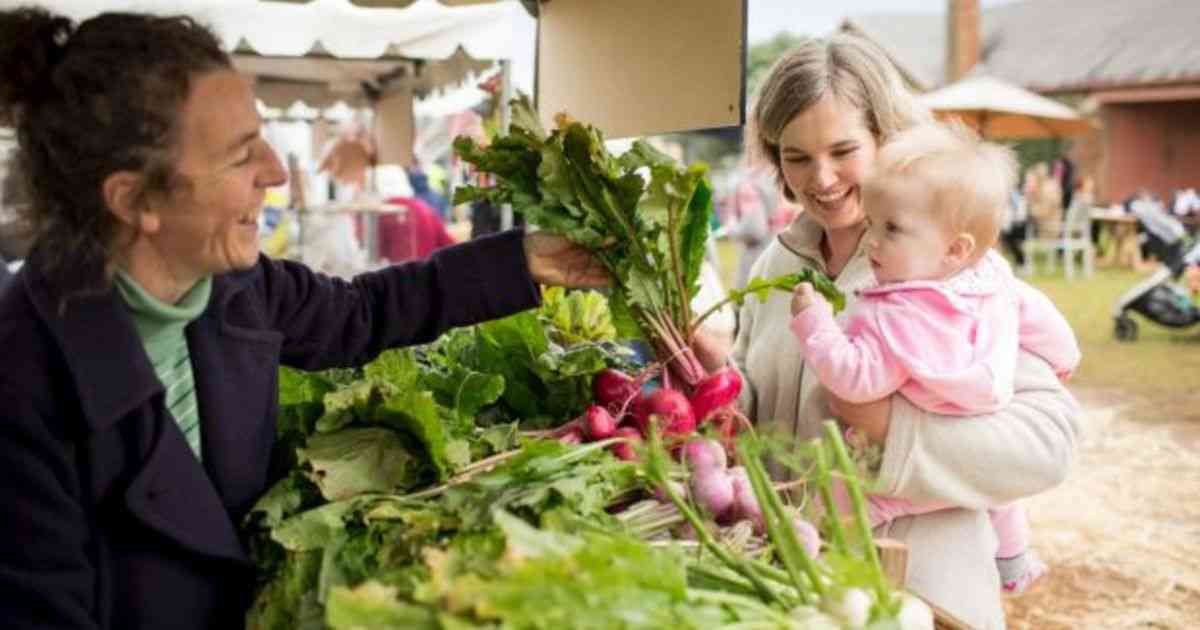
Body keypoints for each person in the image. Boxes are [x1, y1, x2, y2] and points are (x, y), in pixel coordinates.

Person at [0, 9, 605, 629]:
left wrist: (525, 259)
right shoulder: (23, 384)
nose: (275, 172)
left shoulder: (233, 284)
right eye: (241, 157)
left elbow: (361, 313)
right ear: (135, 200)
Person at [689, 33, 1080, 628]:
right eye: (795, 157)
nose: (820, 179)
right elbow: (765, 406)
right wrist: (720, 380)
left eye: (843, 150)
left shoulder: (953, 273)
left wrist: (892, 432)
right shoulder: (776, 262)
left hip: (923, 597)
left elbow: (1047, 444)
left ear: (888, 137)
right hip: (795, 587)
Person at [788, 122, 1080, 595]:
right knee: (998, 496)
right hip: (971, 434)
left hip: (905, 468)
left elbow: (856, 381)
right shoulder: (991, 279)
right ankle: (1013, 558)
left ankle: (833, 569)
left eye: (892, 230)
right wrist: (1063, 360)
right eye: (872, 225)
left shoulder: (899, 314)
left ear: (955, 248)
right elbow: (1044, 323)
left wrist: (814, 322)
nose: (873, 242)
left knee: (841, 498)